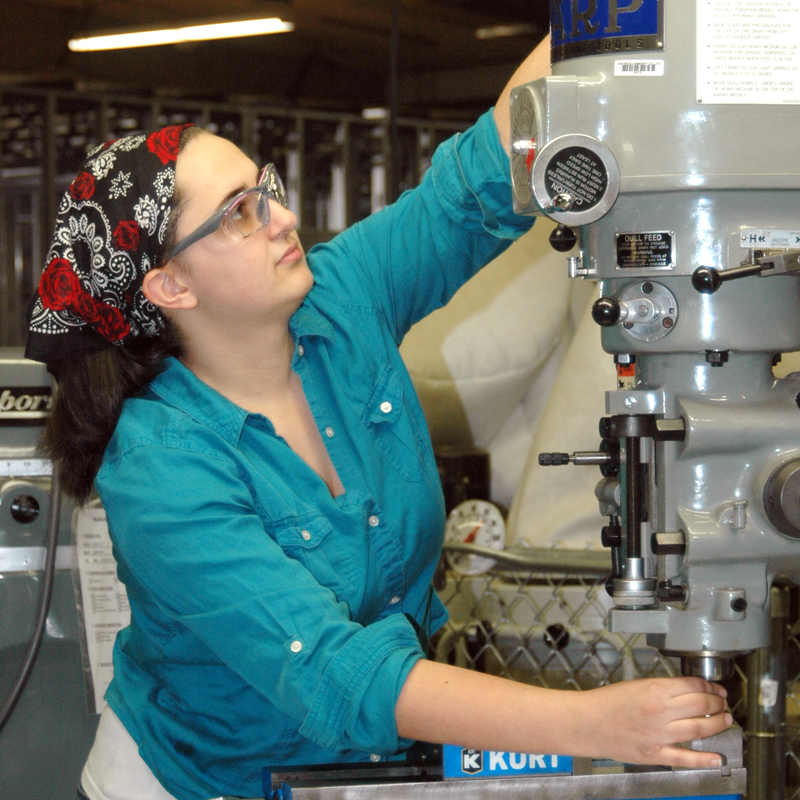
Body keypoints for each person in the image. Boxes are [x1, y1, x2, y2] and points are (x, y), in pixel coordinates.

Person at [26, 37, 731, 800]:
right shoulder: (161, 467)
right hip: (203, 784)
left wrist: (601, 21)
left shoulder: (339, 301)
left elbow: (477, 182)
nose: (283, 216)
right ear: (169, 287)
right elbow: (335, 672)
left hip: (355, 775)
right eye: (238, 214)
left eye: (263, 185)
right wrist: (590, 726)